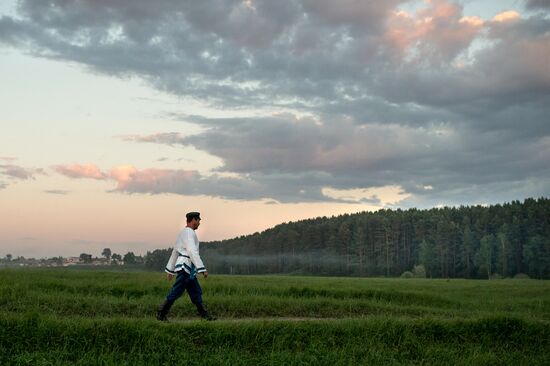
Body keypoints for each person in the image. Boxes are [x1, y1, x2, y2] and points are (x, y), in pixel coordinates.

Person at [156, 211, 216, 321]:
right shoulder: (189, 233)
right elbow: (192, 251)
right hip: (185, 267)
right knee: (177, 291)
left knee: (196, 292)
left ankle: (205, 316)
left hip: (188, 269)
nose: (199, 223)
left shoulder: (184, 232)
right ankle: (161, 314)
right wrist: (202, 269)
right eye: (198, 221)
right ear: (194, 220)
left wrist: (171, 270)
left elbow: (175, 251)